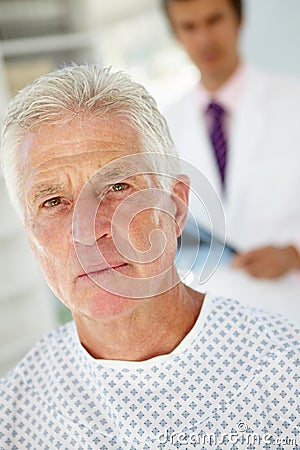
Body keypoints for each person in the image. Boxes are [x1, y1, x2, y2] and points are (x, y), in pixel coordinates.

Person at [0, 65, 298, 449]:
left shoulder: (286, 370)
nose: (88, 230)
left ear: (175, 207)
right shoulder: (13, 420)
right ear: (31, 235)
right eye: (53, 202)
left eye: (118, 186)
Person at [162, 0, 300, 280]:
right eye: (189, 27)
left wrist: (293, 255)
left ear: (239, 19)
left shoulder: (293, 102)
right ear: (176, 34)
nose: (204, 39)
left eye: (214, 21)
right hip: (213, 303)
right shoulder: (165, 126)